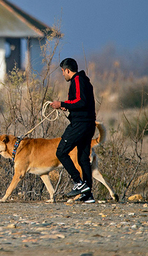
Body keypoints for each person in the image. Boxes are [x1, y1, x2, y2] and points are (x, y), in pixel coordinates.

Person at [51, 58, 97, 203]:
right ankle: (88, 194)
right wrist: (67, 106)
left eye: (62, 72)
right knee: (83, 159)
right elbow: (79, 102)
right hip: (88, 124)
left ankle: (79, 183)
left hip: (80, 124)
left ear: (67, 70)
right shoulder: (84, 80)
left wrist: (62, 103)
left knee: (61, 151)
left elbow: (80, 101)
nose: (63, 75)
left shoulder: (77, 80)